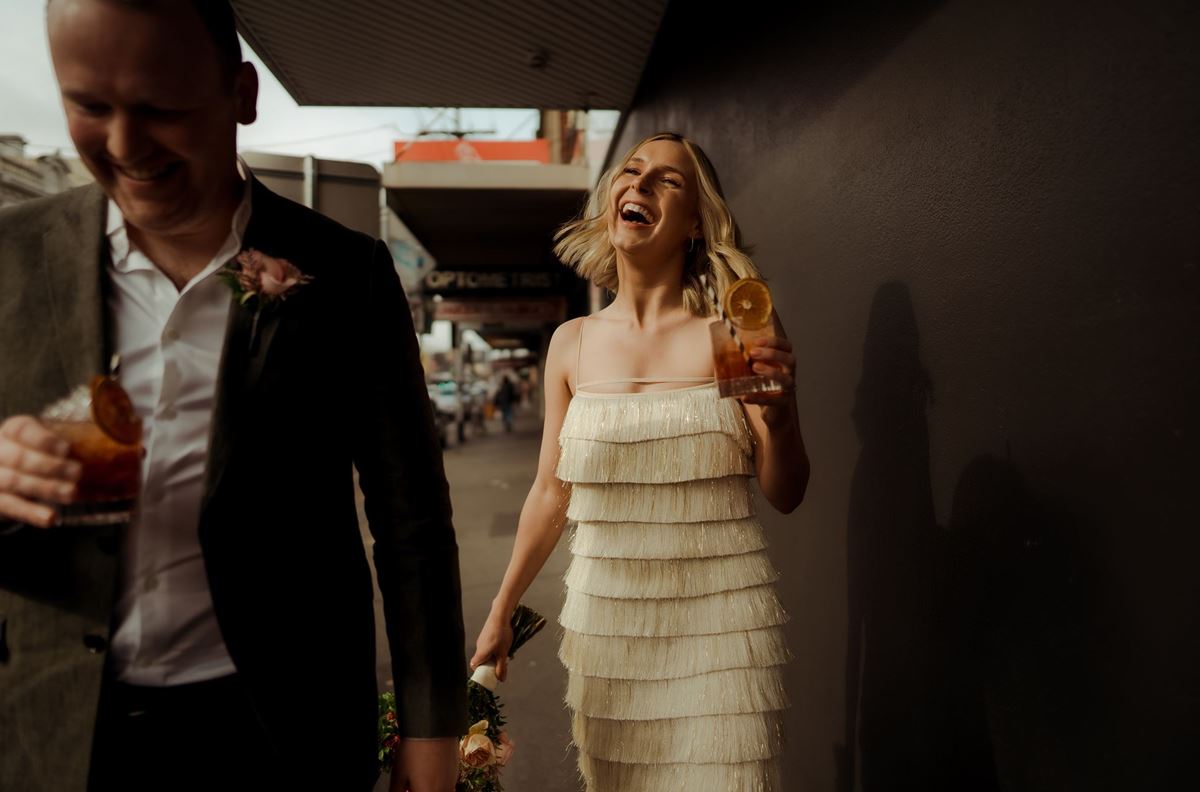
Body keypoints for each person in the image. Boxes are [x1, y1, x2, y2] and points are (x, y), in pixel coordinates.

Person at [0, 2, 464, 790]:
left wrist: (432, 728)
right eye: (88, 106)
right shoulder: (10, 255)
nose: (122, 144)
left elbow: (411, 519)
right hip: (55, 733)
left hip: (281, 732)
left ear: (242, 95)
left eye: (160, 109)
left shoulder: (347, 273)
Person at [470, 132, 810, 790]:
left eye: (668, 180)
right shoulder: (572, 345)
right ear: (610, 203)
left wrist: (780, 415)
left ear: (694, 224)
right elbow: (549, 493)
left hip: (721, 633)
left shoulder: (731, 334)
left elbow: (787, 490)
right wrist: (500, 611)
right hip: (609, 635)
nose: (641, 184)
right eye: (632, 171)